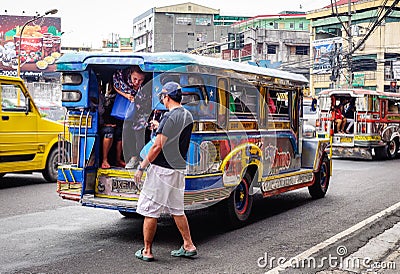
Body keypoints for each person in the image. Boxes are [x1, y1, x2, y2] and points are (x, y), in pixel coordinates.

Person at [133, 81, 196, 262]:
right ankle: (188, 244)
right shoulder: (187, 115)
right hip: (178, 169)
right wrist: (159, 126)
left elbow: (157, 147)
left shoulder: (169, 117)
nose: (162, 99)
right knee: (177, 209)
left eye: (162, 96)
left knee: (150, 210)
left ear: (167, 97)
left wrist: (141, 167)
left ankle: (147, 250)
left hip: (162, 169)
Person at [112, 66, 149, 169]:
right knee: (127, 133)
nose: (137, 82)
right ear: (130, 74)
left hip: (142, 113)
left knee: (140, 135)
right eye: (135, 79)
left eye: (140, 80)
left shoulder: (146, 85)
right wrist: (126, 95)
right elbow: (116, 86)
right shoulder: (122, 77)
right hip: (128, 114)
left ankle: (142, 160)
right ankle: (133, 157)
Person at [99, 81, 125, 169]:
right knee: (109, 131)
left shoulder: (102, 98)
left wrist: (107, 124)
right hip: (96, 126)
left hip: (104, 124)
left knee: (119, 131)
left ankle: (118, 160)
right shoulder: (90, 99)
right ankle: (104, 160)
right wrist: (105, 125)